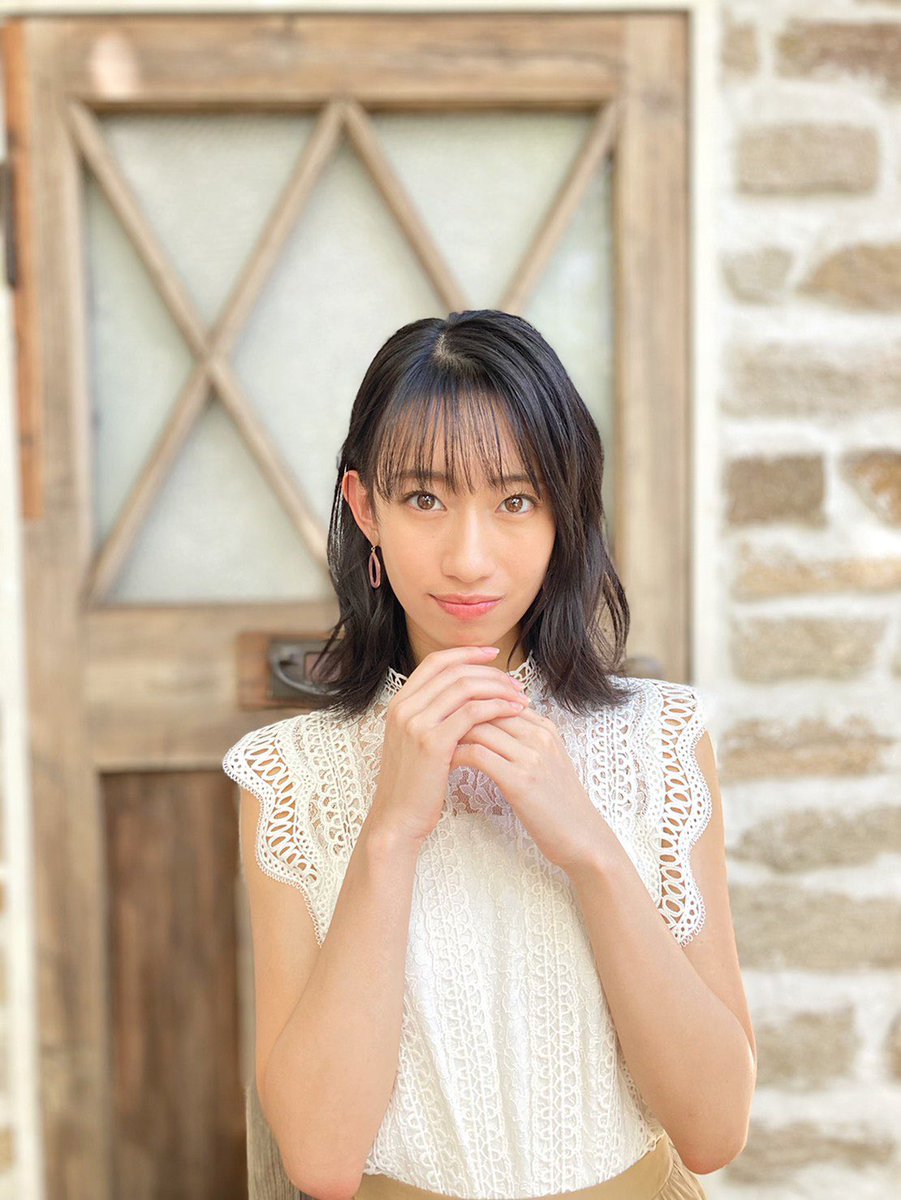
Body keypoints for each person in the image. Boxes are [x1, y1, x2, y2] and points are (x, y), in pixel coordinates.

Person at [222, 310, 757, 1200]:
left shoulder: (657, 740)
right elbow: (319, 1160)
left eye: (514, 501)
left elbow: (713, 1130)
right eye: (424, 499)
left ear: (562, 513)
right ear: (365, 508)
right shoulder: (291, 774)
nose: (469, 560)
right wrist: (391, 831)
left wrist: (587, 845)